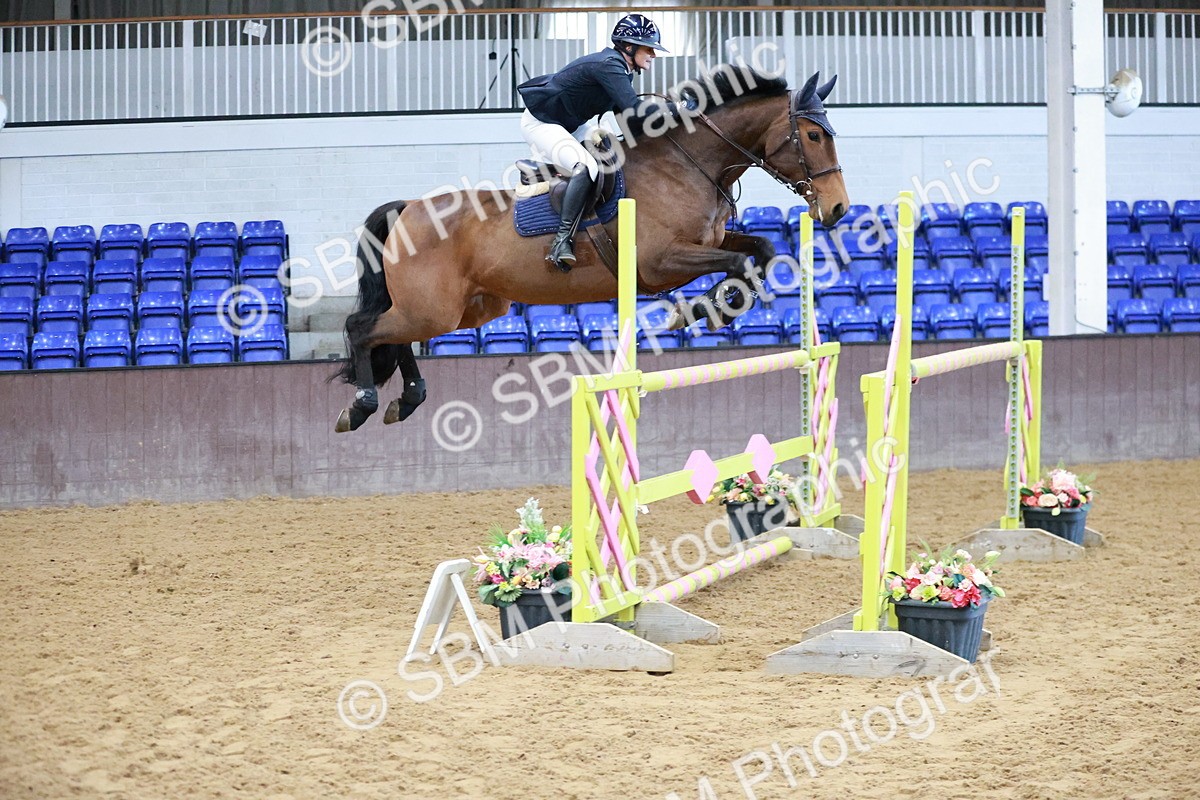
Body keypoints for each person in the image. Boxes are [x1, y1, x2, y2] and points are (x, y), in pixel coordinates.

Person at [517, 13, 669, 271]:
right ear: (629, 47)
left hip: (573, 124)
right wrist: (675, 110)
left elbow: (630, 121)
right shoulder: (609, 65)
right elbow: (635, 107)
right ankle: (561, 242)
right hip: (542, 123)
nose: (653, 54)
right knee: (587, 166)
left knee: (613, 151)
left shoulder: (622, 71)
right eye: (649, 48)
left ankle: (548, 170)